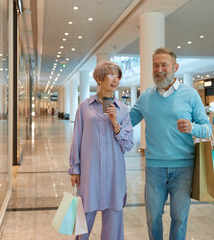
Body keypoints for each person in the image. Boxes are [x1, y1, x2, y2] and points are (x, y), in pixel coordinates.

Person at [129, 47, 212, 240]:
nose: (159, 69)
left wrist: (192, 127)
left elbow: (207, 129)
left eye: (164, 65)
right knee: (152, 217)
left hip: (184, 168)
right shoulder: (146, 97)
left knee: (179, 218)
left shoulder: (190, 95)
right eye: (156, 65)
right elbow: (126, 123)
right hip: (154, 168)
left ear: (175, 67)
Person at [68, 61, 134, 240]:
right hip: (90, 172)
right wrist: (75, 169)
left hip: (114, 173)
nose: (116, 80)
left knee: (113, 219)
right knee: (84, 221)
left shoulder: (122, 110)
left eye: (118, 76)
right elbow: (77, 138)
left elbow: (128, 145)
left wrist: (115, 123)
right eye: (111, 75)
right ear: (99, 78)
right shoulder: (84, 107)